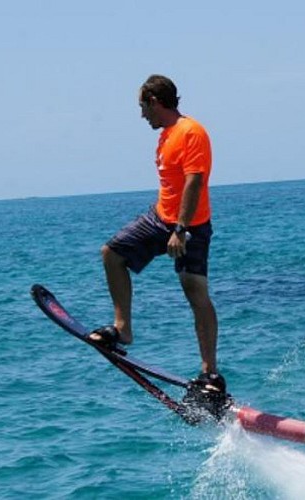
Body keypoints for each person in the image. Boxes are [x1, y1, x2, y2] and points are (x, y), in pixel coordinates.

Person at [90, 74, 226, 408]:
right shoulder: (166, 136)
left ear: (154, 101)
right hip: (159, 217)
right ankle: (123, 329)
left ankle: (210, 374)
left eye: (142, 107)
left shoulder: (191, 132)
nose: (141, 116)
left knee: (195, 292)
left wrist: (180, 230)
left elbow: (195, 181)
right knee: (112, 254)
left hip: (189, 224)